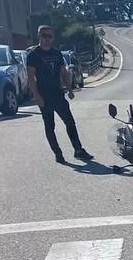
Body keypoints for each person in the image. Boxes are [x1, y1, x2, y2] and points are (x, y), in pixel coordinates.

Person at [26, 25, 92, 163]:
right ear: (39, 36)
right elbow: (30, 77)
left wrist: (69, 89)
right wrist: (37, 96)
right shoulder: (33, 55)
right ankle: (58, 153)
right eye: (44, 36)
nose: (47, 39)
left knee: (70, 122)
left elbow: (64, 72)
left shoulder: (57, 54)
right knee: (50, 126)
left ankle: (78, 150)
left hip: (58, 94)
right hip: (44, 96)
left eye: (50, 36)